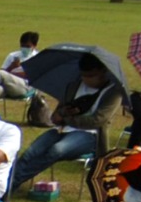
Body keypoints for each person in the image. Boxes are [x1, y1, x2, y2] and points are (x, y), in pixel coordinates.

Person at [9, 53, 125, 188]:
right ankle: (6, 181)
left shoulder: (114, 92)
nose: (87, 80)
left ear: (104, 72)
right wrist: (60, 114)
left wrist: (67, 118)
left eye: (92, 76)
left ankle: (11, 184)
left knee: (56, 150)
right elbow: (59, 112)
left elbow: (97, 120)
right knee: (31, 152)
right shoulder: (74, 86)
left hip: (89, 135)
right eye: (84, 75)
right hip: (61, 129)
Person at [0, 31, 40, 98]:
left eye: (28, 46)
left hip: (25, 88)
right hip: (9, 86)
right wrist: (12, 67)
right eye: (22, 45)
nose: (24, 48)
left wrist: (10, 73)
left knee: (0, 74)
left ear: (34, 46)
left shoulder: (38, 57)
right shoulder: (13, 55)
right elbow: (1, 72)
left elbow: (31, 75)